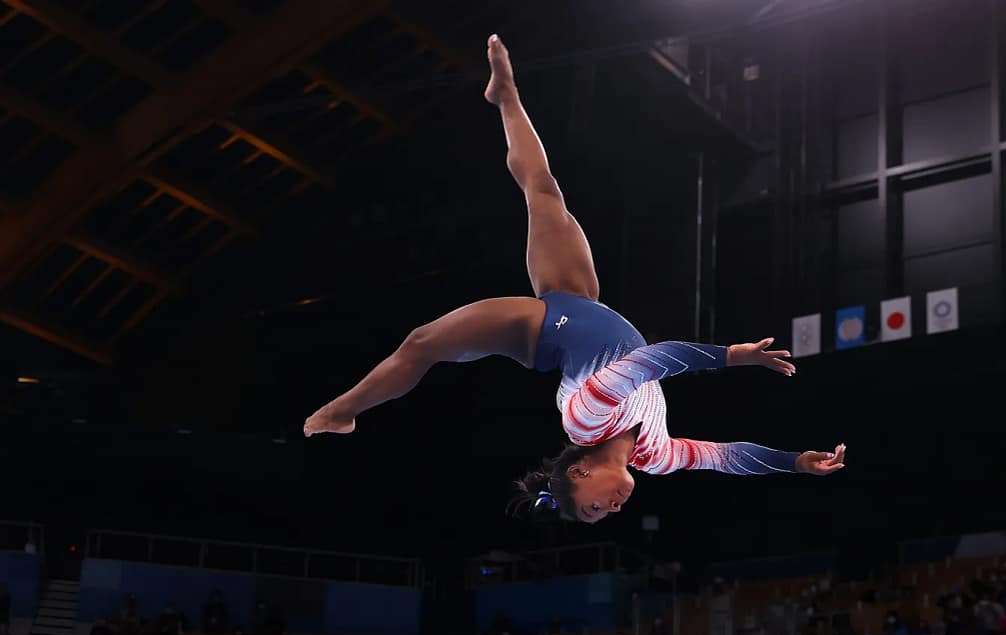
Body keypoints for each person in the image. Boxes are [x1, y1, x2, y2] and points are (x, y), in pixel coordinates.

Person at [303, 35, 846, 522]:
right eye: (604, 516)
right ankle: (506, 97)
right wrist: (795, 463)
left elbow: (657, 358)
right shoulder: (655, 457)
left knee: (422, 342)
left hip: (542, 330)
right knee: (544, 191)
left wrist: (734, 356)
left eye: (592, 508)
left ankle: (340, 412)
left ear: (579, 474)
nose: (609, 510)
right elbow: (726, 457)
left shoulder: (586, 422)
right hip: (582, 302)